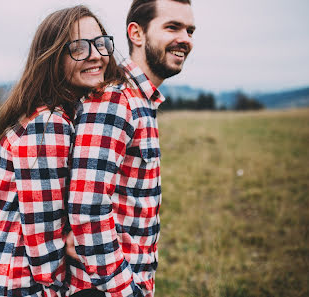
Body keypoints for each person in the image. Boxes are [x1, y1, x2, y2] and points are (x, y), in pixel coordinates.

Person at [0, 5, 127, 297]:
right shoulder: (48, 125)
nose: (95, 55)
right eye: (78, 48)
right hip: (14, 285)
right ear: (53, 58)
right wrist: (63, 289)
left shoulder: (54, 113)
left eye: (100, 43)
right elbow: (43, 247)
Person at [67, 0, 196, 296]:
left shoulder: (140, 100)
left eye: (190, 30)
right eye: (172, 27)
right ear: (136, 34)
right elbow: (88, 210)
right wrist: (126, 291)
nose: (185, 39)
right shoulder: (116, 99)